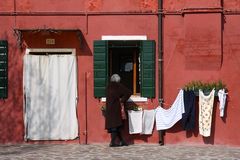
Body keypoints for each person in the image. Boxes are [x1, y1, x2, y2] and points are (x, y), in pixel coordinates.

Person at [105, 74, 132, 147]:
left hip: (109, 108)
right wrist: (122, 100)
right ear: (118, 80)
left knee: (116, 125)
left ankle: (122, 141)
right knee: (116, 125)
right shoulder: (118, 86)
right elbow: (129, 92)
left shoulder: (108, 86)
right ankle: (112, 142)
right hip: (116, 108)